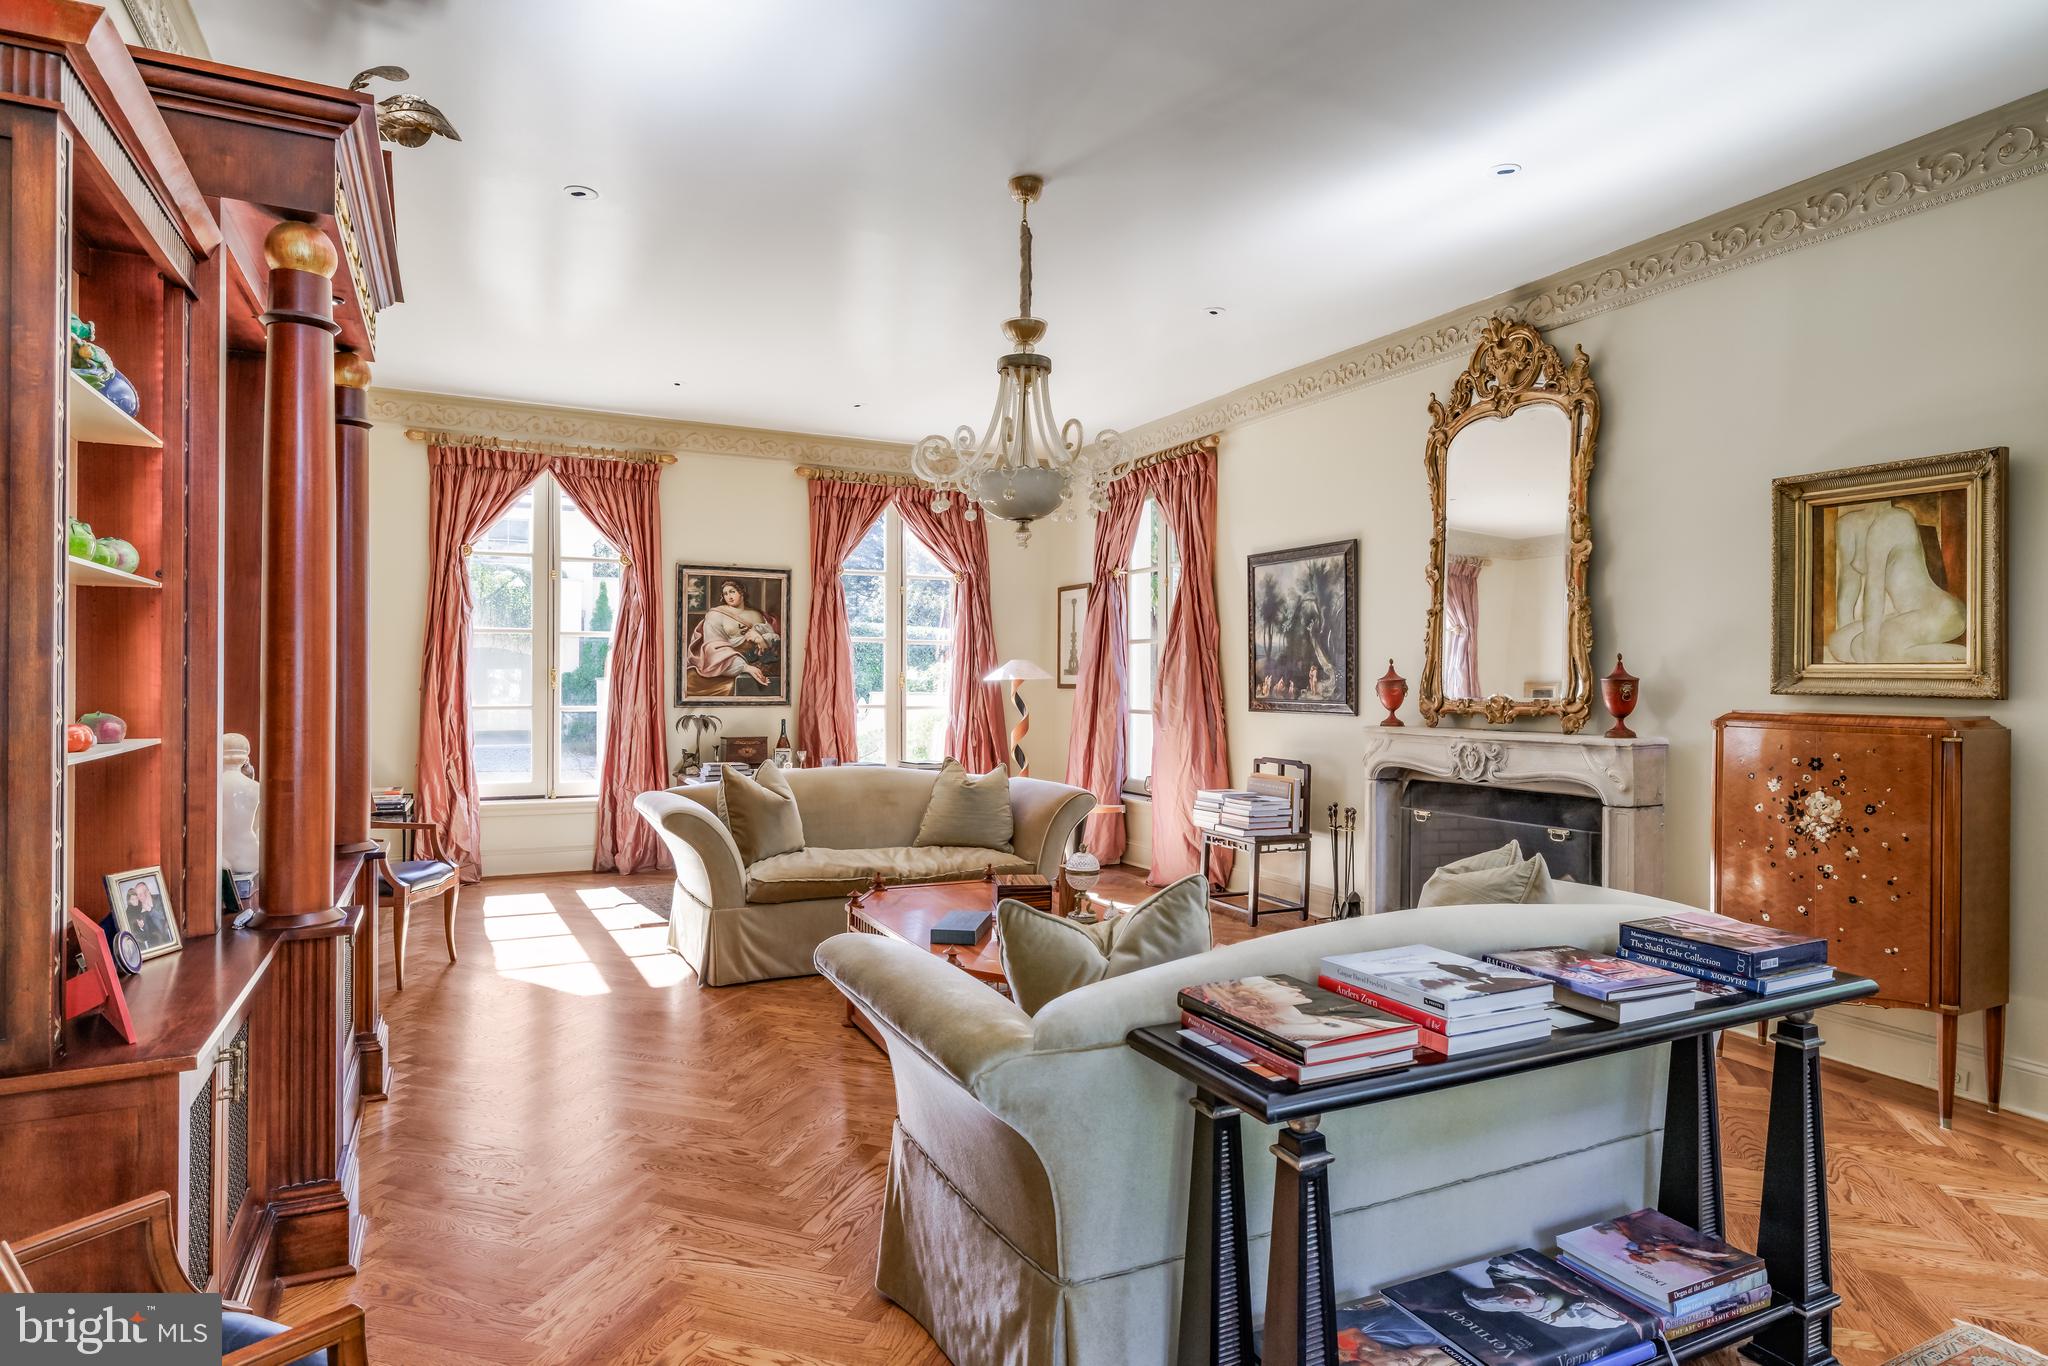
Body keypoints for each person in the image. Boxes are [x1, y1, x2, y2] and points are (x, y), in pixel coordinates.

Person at [1825, 502, 1967, 664]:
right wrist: (1854, 642)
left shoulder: (1896, 519)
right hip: (1904, 615)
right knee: (1838, 644)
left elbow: (1874, 588)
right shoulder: (1848, 524)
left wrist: (1869, 651)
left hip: (1941, 612)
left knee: (1870, 648)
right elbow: (1848, 585)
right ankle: (1906, 651)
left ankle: (1964, 656)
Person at [1462, 1255, 1630, 1332]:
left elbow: (1509, 1258)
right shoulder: (1552, 1317)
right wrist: (1591, 1302)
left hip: (1582, 1260)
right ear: (1513, 1310)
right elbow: (1617, 1321)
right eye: (1515, 1304)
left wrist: (1546, 1275)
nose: (1519, 1299)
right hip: (1615, 1287)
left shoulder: (1500, 1276)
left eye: (1508, 1292)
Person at [688, 578, 780, 692]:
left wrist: (760, 640)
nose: (729, 596)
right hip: (726, 662)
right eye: (725, 593)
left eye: (732, 591)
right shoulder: (715, 615)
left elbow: (773, 640)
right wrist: (744, 667)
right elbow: (713, 647)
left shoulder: (757, 614)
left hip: (760, 661)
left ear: (742, 592)